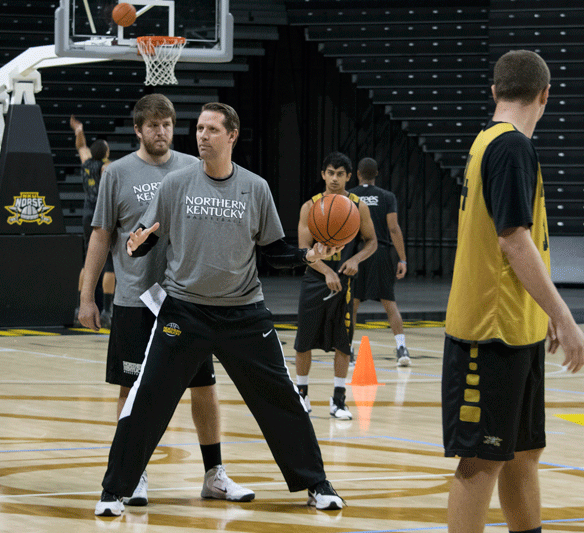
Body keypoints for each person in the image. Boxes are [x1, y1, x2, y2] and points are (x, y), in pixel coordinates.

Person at [94, 102, 345, 517]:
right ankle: (113, 491)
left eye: (212, 129)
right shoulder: (175, 185)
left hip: (244, 312)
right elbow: (149, 236)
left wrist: (307, 255)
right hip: (184, 312)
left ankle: (317, 485)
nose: (202, 135)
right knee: (147, 400)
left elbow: (273, 250)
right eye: (199, 128)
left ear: (232, 136)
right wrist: (137, 243)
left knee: (282, 400)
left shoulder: (255, 187)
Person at [80, 95, 254, 511]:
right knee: (132, 389)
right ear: (138, 130)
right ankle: (134, 471)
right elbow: (102, 235)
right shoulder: (117, 173)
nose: (161, 132)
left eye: (167, 124)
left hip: (185, 300)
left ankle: (214, 474)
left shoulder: (194, 168)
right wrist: (87, 296)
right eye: (153, 125)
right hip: (134, 301)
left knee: (204, 386)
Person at [443, 50, 584, 533]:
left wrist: (539, 310)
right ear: (546, 95)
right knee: (479, 462)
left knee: (524, 453)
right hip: (489, 334)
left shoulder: (491, 141)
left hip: (515, 330)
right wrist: (564, 316)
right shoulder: (509, 148)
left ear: (495, 92)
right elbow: (512, 240)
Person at [293, 152, 377, 418]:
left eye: (340, 174)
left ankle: (338, 400)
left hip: (345, 280)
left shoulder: (358, 206)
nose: (334, 178)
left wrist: (356, 258)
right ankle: (302, 396)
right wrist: (326, 270)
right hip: (316, 277)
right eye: (330, 172)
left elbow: (372, 241)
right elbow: (303, 250)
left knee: (343, 343)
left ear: (349, 177)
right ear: (323, 174)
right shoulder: (311, 206)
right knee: (303, 341)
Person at [349, 157, 411, 366]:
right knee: (390, 304)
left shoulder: (351, 196)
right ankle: (402, 349)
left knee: (352, 305)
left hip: (357, 254)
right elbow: (393, 228)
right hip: (381, 252)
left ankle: (347, 349)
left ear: (358, 174)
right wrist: (402, 258)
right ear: (376, 175)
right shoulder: (387, 196)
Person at [70, 115, 115, 328]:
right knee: (109, 265)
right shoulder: (107, 167)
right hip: (102, 215)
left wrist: (79, 130)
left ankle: (79, 308)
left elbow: (81, 146)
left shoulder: (87, 162)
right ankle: (107, 311)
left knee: (87, 262)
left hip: (87, 213)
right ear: (106, 153)